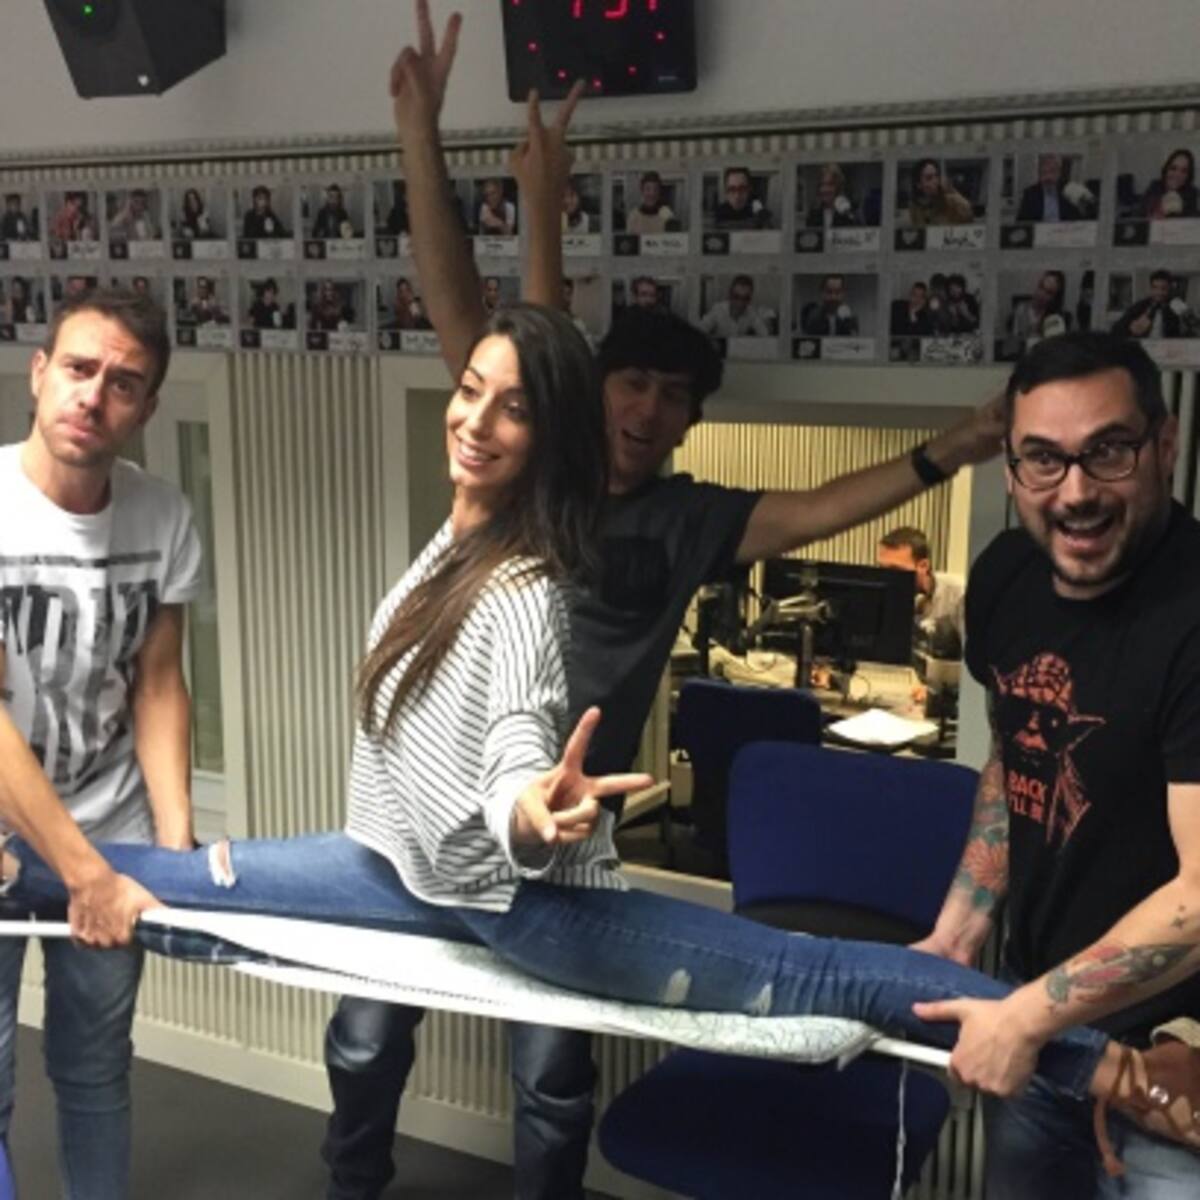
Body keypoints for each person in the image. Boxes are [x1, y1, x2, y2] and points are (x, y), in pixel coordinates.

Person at [5, 308, 1199, 1199]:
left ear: (552, 438)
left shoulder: (526, 585)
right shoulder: (453, 544)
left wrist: (531, 813)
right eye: (469, 391)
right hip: (402, 867)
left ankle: (1102, 1066)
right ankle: (21, 872)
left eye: (513, 408)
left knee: (824, 979)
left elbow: (516, 745)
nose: (475, 421)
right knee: (182, 884)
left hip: (528, 903)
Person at [311, 9, 1008, 1199]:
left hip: (557, 844)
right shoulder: (540, 466)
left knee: (554, 1079)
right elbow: (484, 309)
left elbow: (821, 509)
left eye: (672, 395)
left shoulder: (691, 520)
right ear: (590, 395)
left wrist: (956, 447)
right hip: (428, 826)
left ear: (689, 419)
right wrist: (429, 138)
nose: (645, 408)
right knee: (365, 1042)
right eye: (628, 381)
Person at [913, 331, 1200, 1195]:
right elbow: (1016, 755)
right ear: (1010, 470)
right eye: (1043, 458)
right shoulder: (1007, 576)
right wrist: (961, 928)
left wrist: (1025, 1017)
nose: (1075, 493)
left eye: (1107, 452)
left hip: (1172, 1062)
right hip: (1037, 1022)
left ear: (1163, 446)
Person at [0, 286, 201, 1197]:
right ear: (39, 373)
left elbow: (158, 684)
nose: (93, 396)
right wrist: (83, 874)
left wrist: (173, 846)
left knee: (93, 1070)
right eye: (79, 369)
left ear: (146, 408)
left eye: (123, 384)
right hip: (10, 836)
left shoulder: (164, 516)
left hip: (110, 827)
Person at [877, 525, 965, 647]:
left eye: (896, 570)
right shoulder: (882, 594)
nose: (888, 578)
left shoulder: (960, 594)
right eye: (882, 569)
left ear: (923, 566)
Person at [1016, 154, 1095, 223]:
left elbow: (1082, 217)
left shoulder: (1070, 190)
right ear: (1039, 174)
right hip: (1040, 233)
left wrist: (1084, 207)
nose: (1048, 177)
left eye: (1052, 171)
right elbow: (1021, 221)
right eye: (1044, 172)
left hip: (1064, 232)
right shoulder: (1030, 193)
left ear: (1059, 173)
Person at [1113, 270, 1188, 340]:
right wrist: (1129, 329)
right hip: (1142, 347)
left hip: (1169, 347)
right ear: (1151, 288)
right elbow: (1116, 329)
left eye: (1164, 288)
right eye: (1155, 288)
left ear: (1170, 288)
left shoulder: (1178, 305)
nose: (1159, 292)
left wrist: (1185, 327)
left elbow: (1192, 330)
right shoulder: (1140, 306)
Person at [1009, 271, 1072, 345]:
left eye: (1049, 293)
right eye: (1041, 286)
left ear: (1054, 299)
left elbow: (1055, 346)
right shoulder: (1021, 308)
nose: (1041, 294)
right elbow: (1015, 339)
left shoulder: (1055, 318)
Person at [699, 274, 771, 338]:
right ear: (730, 295)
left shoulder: (751, 312)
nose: (740, 303)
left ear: (750, 299)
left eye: (746, 298)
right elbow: (700, 330)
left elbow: (765, 334)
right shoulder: (718, 309)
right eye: (736, 297)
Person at [906, 158, 973, 227]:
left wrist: (951, 191)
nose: (935, 181)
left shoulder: (950, 200)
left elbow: (968, 214)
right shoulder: (914, 206)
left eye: (937, 176)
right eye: (929, 178)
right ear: (919, 184)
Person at [1140, 148, 1198, 220]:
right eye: (1173, 168)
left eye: (1184, 171)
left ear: (1188, 176)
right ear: (1166, 169)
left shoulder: (1193, 194)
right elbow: (1141, 215)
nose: (1177, 174)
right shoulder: (1155, 187)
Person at [713, 166, 771, 230]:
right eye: (732, 189)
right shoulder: (720, 212)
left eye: (742, 189)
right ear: (726, 192)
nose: (737, 196)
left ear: (749, 189)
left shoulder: (756, 207)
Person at [805, 163, 859, 229]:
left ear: (838, 187)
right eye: (822, 184)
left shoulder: (848, 212)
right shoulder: (813, 214)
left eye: (830, 184)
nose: (825, 189)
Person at [624, 170, 675, 235]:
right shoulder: (633, 216)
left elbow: (674, 238)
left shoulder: (668, 214)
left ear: (659, 192)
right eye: (648, 189)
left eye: (656, 189)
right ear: (642, 191)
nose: (652, 193)